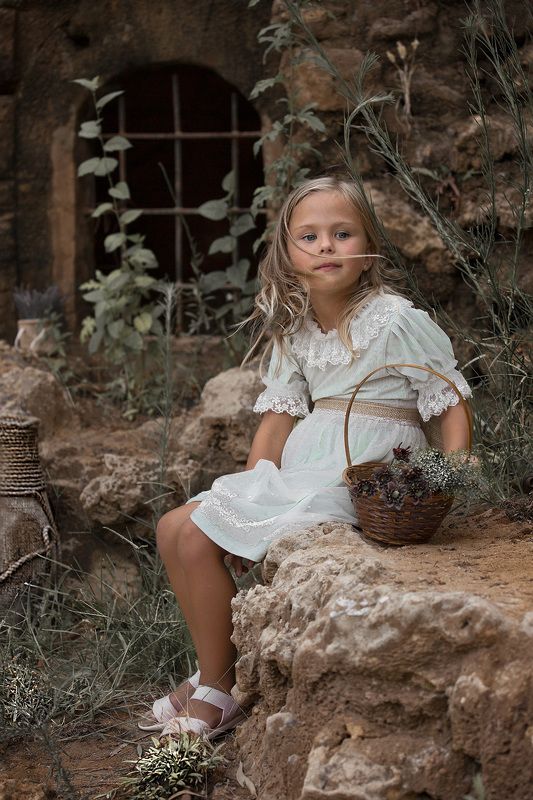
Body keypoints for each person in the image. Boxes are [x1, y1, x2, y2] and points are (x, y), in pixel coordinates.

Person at [139, 175, 472, 739]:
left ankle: (219, 690)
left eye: (343, 234)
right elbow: (276, 422)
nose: (326, 247)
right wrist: (247, 502)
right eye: (310, 236)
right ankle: (213, 668)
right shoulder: (294, 329)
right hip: (303, 468)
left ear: (369, 249)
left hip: (362, 470)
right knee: (174, 527)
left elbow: (449, 401)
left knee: (193, 538)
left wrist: (449, 475)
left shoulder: (395, 320)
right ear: (288, 251)